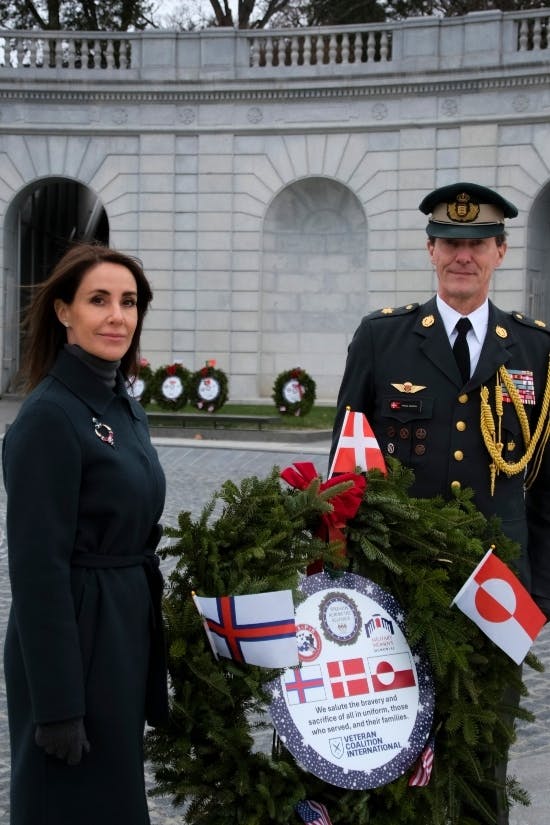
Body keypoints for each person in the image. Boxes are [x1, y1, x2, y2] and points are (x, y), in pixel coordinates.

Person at [329, 182, 550, 824]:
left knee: (485, 756)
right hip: (398, 581)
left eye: (477, 243)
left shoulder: (534, 348)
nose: (464, 255)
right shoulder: (382, 338)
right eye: (451, 242)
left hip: (500, 585)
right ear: (430, 250)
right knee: (394, 748)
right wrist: (343, 577)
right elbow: (346, 465)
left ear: (500, 253)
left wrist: (542, 592)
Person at [2, 243, 168, 825]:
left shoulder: (121, 404)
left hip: (120, 632)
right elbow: (36, 571)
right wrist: (57, 706)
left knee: (116, 800)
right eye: (99, 300)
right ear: (64, 311)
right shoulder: (50, 416)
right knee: (69, 802)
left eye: (129, 302)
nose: (118, 316)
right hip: (77, 638)